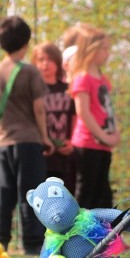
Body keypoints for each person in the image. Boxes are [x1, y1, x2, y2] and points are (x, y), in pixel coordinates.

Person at [0, 16, 53, 255]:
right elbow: (38, 108)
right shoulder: (30, 72)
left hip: (3, 141)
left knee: (4, 193)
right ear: (26, 42)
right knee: (31, 193)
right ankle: (32, 243)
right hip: (28, 140)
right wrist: (45, 136)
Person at [68, 25, 118, 209]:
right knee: (86, 192)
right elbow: (83, 112)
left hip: (104, 146)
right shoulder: (82, 78)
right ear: (91, 50)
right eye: (104, 49)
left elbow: (108, 108)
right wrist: (102, 135)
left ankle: (107, 236)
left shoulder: (103, 80)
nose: (107, 53)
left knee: (103, 193)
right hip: (87, 144)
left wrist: (114, 132)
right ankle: (74, 235)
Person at [33, 41, 78, 191]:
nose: (45, 64)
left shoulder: (67, 89)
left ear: (58, 63)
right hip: (41, 155)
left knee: (67, 197)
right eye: (41, 59)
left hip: (65, 155)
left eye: (50, 59)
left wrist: (72, 142)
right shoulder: (33, 90)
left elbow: (75, 117)